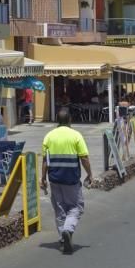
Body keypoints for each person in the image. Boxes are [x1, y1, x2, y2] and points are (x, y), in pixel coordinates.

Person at [41, 107, 92, 255]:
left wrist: (42, 178)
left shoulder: (49, 136)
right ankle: (68, 231)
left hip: (55, 179)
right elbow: (84, 157)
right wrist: (90, 174)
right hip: (71, 179)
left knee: (60, 209)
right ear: (70, 120)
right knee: (76, 207)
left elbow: (45, 160)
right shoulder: (76, 135)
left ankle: (63, 238)